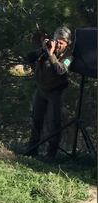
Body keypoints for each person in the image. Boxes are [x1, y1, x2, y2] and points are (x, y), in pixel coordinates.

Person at [25, 26, 73, 157]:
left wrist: (51, 55)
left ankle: (51, 154)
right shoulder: (46, 49)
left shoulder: (69, 55)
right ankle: (31, 150)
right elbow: (29, 58)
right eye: (56, 40)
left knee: (54, 123)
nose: (57, 44)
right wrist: (42, 49)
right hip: (41, 89)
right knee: (36, 120)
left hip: (56, 92)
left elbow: (61, 70)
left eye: (61, 42)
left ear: (67, 44)